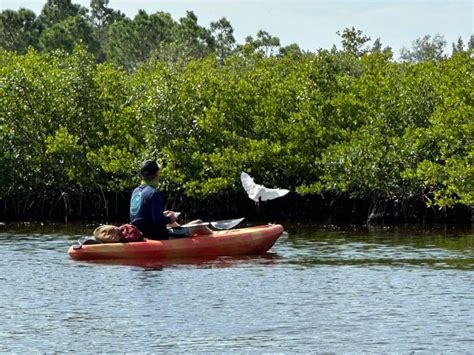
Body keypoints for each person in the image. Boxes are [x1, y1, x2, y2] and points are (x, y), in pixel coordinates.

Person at [130, 160, 212, 240]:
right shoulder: (153, 193)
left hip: (141, 233)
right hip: (157, 236)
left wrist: (165, 216)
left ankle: (181, 231)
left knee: (167, 213)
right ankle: (217, 238)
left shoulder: (136, 191)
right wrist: (170, 219)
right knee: (199, 223)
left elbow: (140, 217)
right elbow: (157, 221)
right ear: (157, 174)